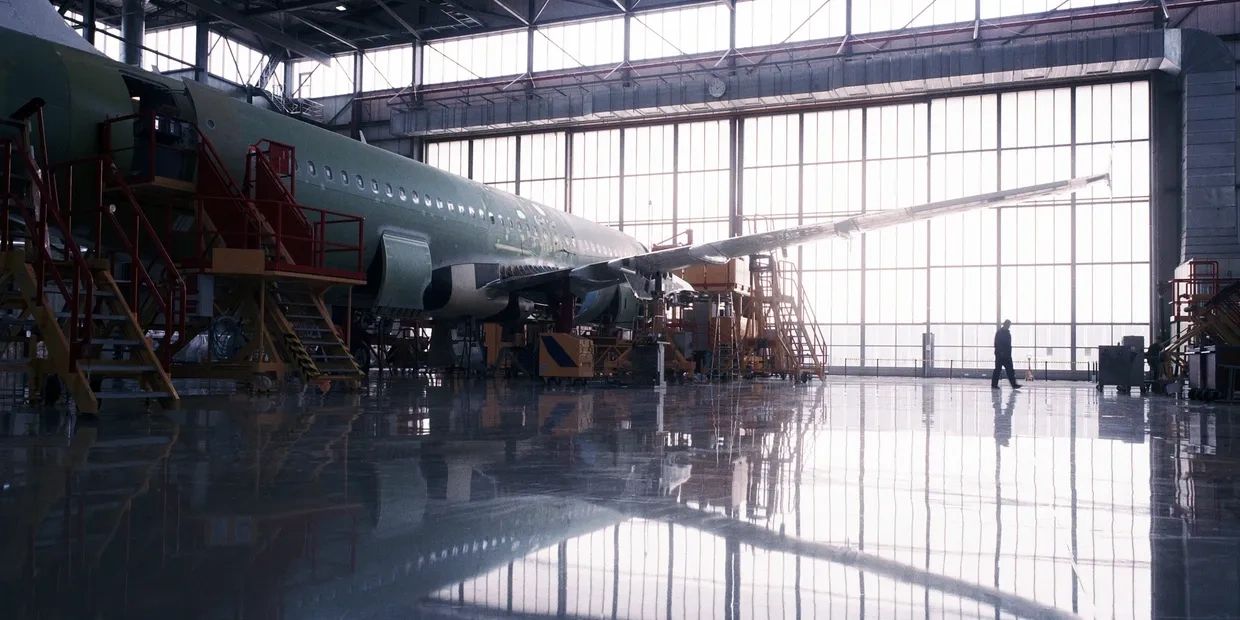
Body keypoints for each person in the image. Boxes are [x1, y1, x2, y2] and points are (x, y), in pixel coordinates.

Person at [991, 319, 1022, 390]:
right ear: (1005, 324)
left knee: (1009, 370)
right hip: (1001, 355)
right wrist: (1001, 352)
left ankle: (1013, 384)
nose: (1009, 326)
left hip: (1006, 355)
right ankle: (994, 384)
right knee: (998, 370)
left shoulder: (1006, 333)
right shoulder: (1000, 333)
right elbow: (997, 344)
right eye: (1008, 325)